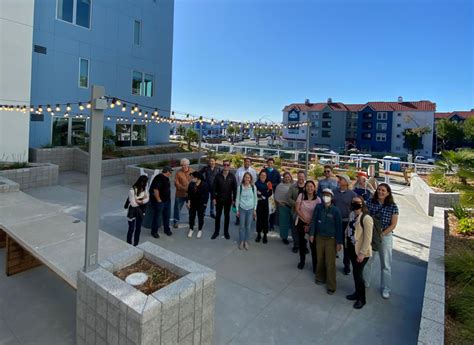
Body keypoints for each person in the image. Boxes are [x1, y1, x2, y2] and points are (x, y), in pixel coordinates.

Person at [364, 183, 399, 299]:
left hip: (385, 236)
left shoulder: (393, 206)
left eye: (383, 190)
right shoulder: (370, 202)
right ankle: (365, 282)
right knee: (368, 260)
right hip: (372, 235)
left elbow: (393, 224)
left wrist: (382, 234)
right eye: (379, 189)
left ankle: (386, 288)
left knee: (386, 264)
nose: (380, 192)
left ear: (388, 193)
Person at [309, 188, 343, 295]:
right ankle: (320, 277)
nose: (325, 197)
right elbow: (314, 220)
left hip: (331, 239)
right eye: (324, 195)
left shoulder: (336, 211)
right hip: (319, 237)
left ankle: (331, 285)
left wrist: (339, 242)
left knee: (330, 262)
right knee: (320, 259)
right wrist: (311, 234)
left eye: (328, 195)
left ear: (332, 197)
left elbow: (339, 227)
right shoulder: (319, 208)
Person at [345, 195, 373, 309]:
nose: (355, 204)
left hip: (361, 251)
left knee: (358, 274)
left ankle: (362, 299)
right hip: (352, 248)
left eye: (357, 202)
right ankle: (356, 293)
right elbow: (349, 228)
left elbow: (368, 238)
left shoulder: (366, 218)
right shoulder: (352, 214)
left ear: (362, 204)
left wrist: (361, 253)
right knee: (356, 273)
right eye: (353, 202)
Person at [333, 174, 357, 275]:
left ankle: (346, 265)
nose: (339, 180)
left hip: (346, 223)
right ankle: (331, 263)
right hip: (335, 222)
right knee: (333, 242)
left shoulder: (352, 195)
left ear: (346, 182)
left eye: (341, 179)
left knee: (346, 245)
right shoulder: (334, 192)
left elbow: (355, 209)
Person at [295, 180, 321, 270]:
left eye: (311, 186)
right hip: (301, 222)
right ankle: (302, 261)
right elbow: (297, 209)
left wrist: (310, 223)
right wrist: (305, 220)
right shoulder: (301, 196)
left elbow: (319, 214)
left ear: (314, 188)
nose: (310, 188)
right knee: (302, 244)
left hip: (313, 225)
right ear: (305, 188)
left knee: (313, 246)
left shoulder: (318, 199)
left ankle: (315, 265)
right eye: (308, 186)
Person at [211, 160, 237, 240]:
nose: (226, 166)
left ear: (229, 166)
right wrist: (213, 198)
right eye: (224, 165)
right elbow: (213, 188)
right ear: (223, 166)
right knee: (218, 216)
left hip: (228, 200)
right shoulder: (218, 176)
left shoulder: (232, 176)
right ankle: (216, 232)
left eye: (227, 165)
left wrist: (234, 200)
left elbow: (235, 189)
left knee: (227, 216)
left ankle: (226, 232)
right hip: (219, 199)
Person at [235, 172, 257, 250]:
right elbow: (237, 199)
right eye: (246, 177)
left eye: (248, 177)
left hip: (250, 209)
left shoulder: (253, 187)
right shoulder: (239, 188)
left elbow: (255, 199)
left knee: (248, 227)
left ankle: (246, 241)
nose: (247, 179)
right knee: (241, 226)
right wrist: (237, 210)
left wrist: (254, 209)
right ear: (243, 178)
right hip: (242, 209)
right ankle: (241, 241)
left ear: (250, 179)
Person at [149, 166, 173, 238]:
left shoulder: (166, 178)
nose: (171, 173)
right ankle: (154, 232)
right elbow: (155, 189)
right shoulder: (159, 177)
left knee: (167, 216)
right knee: (157, 217)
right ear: (167, 171)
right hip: (160, 202)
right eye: (170, 171)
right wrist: (159, 200)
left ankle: (166, 229)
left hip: (167, 201)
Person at [126, 175, 149, 246]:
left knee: (138, 229)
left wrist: (139, 200)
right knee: (131, 229)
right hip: (132, 212)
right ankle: (128, 243)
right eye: (145, 183)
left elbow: (147, 199)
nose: (145, 184)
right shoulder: (132, 190)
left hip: (141, 211)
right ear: (141, 182)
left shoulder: (145, 189)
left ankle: (136, 243)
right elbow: (133, 204)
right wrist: (143, 199)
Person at [287, 170, 306, 253]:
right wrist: (296, 204)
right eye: (299, 176)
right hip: (295, 210)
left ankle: (304, 245)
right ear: (297, 177)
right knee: (295, 228)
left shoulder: (308, 186)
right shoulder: (293, 187)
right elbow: (288, 198)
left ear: (304, 177)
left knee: (304, 229)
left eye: (302, 177)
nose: (301, 178)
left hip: (305, 212)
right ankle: (296, 244)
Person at [234, 157, 257, 225]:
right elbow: (236, 180)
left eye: (248, 162)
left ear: (250, 163)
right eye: (246, 161)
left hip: (249, 189)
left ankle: (248, 219)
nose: (247, 163)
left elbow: (254, 181)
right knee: (239, 204)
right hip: (240, 189)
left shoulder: (253, 171)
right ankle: (238, 219)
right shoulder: (239, 170)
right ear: (244, 162)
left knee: (248, 204)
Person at [186, 171, 209, 239]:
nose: (191, 178)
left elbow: (206, 195)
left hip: (201, 204)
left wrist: (205, 204)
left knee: (200, 217)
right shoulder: (191, 184)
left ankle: (200, 230)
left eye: (193, 177)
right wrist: (188, 202)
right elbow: (189, 194)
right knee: (191, 216)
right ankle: (191, 229)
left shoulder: (205, 185)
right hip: (193, 203)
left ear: (197, 178)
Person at [173, 158, 193, 228]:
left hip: (190, 195)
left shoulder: (192, 171)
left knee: (191, 208)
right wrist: (186, 189)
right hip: (180, 194)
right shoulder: (178, 173)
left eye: (185, 165)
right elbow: (176, 184)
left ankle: (191, 220)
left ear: (188, 164)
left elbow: (196, 181)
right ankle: (176, 221)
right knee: (177, 208)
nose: (184, 166)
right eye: (182, 165)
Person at [274, 172, 293, 245]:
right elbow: (276, 196)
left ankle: (294, 237)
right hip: (283, 206)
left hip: (292, 207)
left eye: (288, 177)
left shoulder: (293, 186)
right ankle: (284, 237)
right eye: (285, 177)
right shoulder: (280, 186)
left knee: (292, 223)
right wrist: (280, 203)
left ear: (291, 177)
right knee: (283, 223)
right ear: (283, 178)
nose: (287, 178)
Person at [255, 170, 272, 243]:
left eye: (264, 175)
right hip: (258, 204)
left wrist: (262, 194)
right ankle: (258, 234)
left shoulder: (269, 183)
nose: (263, 176)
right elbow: (255, 193)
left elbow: (270, 193)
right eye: (262, 175)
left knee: (265, 220)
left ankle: (265, 235)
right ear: (259, 176)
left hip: (265, 204)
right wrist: (262, 194)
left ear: (266, 176)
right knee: (259, 220)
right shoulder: (256, 183)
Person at [264, 158, 281, 231]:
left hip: (273, 193)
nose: (270, 164)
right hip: (264, 192)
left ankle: (271, 224)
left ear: (273, 164)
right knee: (264, 209)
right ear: (267, 163)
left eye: (271, 163)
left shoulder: (276, 172)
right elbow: (261, 180)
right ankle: (264, 224)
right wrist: (266, 185)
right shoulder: (264, 171)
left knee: (272, 209)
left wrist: (271, 185)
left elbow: (279, 183)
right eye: (269, 163)